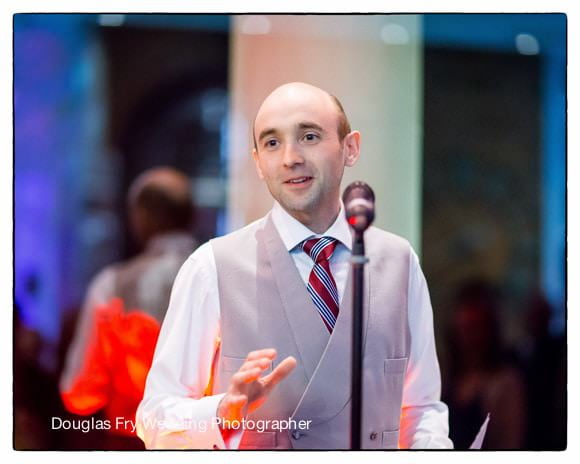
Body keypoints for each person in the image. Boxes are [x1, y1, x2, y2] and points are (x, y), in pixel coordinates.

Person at [136, 82, 453, 450]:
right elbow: (154, 415)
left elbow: (422, 408)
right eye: (272, 143)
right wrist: (223, 411)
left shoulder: (400, 262)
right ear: (257, 162)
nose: (290, 158)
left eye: (309, 136)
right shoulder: (212, 267)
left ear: (350, 148)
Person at [60, 167, 197, 449]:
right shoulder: (226, 279)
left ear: (141, 216)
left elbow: (80, 392)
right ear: (191, 216)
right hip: (208, 441)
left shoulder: (110, 286)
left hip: (132, 441)